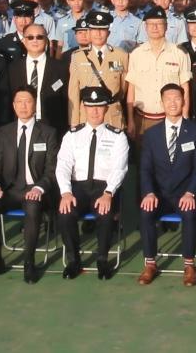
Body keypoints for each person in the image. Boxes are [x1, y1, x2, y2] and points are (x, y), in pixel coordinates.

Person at [0, 86, 59, 283]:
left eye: (28, 101)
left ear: (35, 104)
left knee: (32, 207)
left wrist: (39, 188)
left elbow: (52, 169)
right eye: (19, 102)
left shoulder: (48, 133)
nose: (23, 106)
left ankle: (29, 262)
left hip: (37, 190)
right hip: (10, 190)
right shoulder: (4, 132)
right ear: (13, 106)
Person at [136, 82, 196, 286]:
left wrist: (191, 193)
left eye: (177, 98)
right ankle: (150, 263)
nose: (172, 103)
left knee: (189, 212)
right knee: (146, 212)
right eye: (168, 99)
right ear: (161, 103)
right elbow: (145, 169)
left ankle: (189, 265)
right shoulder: (151, 135)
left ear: (184, 101)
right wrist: (149, 193)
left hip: (184, 193)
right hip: (159, 194)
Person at [57, 85, 132, 279]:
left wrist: (109, 193)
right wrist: (65, 192)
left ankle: (102, 260)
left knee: (105, 214)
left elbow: (120, 167)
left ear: (106, 108)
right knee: (65, 213)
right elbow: (63, 165)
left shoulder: (118, 136)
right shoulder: (72, 135)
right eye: (90, 106)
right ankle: (74, 261)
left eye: (99, 106)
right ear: (83, 108)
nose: (95, 111)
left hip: (104, 187)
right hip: (78, 187)